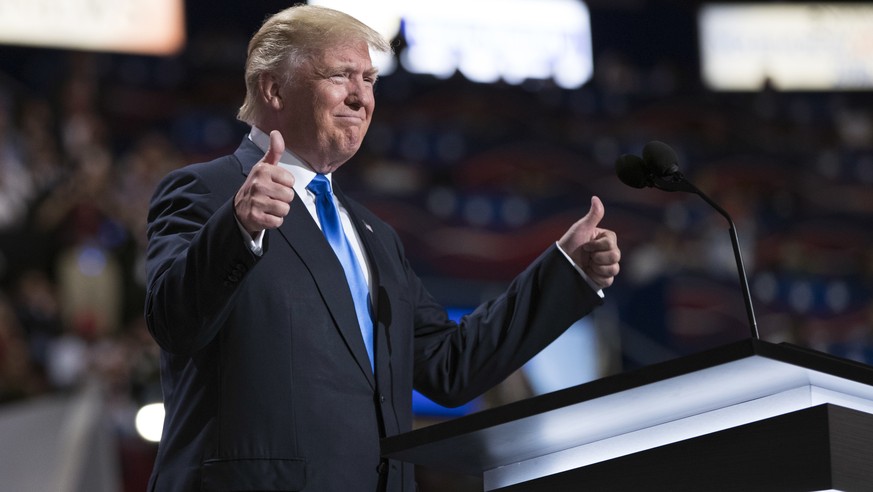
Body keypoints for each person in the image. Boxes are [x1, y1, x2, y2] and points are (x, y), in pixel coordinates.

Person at [144, 4, 620, 491]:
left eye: (369, 79)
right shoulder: (206, 192)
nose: (360, 97)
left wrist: (566, 272)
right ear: (273, 88)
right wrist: (237, 228)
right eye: (341, 75)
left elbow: (450, 367)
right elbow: (172, 321)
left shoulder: (376, 236)